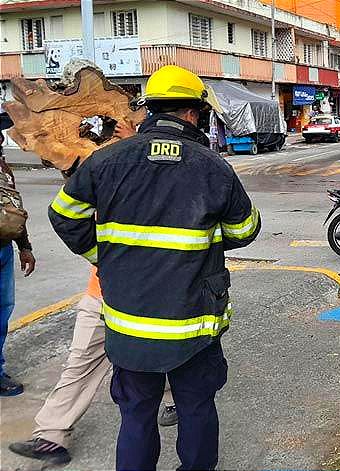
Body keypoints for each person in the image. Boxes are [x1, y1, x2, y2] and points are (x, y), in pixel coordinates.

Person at [48, 65, 261, 469]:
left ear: (150, 110)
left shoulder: (106, 162)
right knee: (196, 408)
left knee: (136, 414)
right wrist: (204, 244)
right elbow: (245, 229)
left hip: (129, 324)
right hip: (193, 325)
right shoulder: (212, 167)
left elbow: (64, 214)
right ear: (194, 113)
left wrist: (103, 256)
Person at [8, 124, 177, 467]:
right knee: (83, 360)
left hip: (140, 291)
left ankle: (178, 399)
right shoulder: (99, 177)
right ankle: (51, 435)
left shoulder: (135, 176)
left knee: (163, 352)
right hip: (106, 292)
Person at [0, 114, 36, 397]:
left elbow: (13, 208)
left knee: (2, 312)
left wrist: (25, 246)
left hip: (3, 250)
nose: (1, 139)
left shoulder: (3, 167)